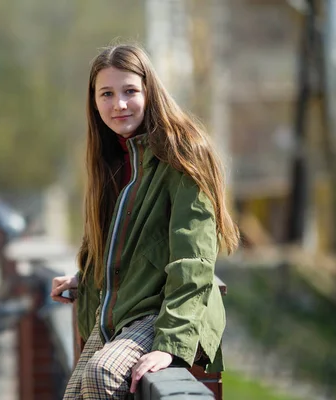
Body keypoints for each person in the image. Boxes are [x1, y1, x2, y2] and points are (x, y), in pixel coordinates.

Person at [50, 43, 240, 399]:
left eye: (130, 91)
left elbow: (194, 258)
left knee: (102, 374)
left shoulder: (183, 151)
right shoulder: (113, 156)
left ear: (149, 91)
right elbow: (128, 243)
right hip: (121, 311)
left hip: (161, 310)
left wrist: (170, 344)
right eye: (106, 94)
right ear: (93, 101)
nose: (118, 104)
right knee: (74, 394)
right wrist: (85, 279)